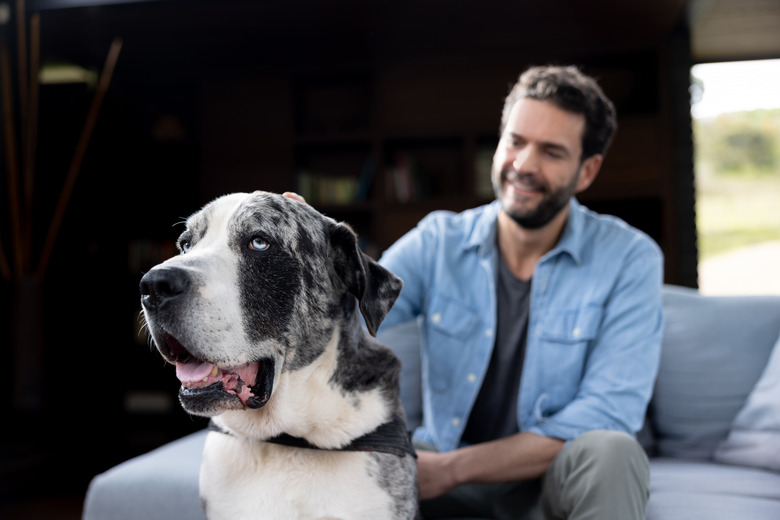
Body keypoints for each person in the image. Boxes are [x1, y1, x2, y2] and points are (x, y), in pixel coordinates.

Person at [375, 65, 665, 520]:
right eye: (516, 141)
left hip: (546, 481)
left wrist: (452, 469)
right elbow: (350, 310)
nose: (525, 164)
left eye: (551, 151)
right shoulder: (438, 242)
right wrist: (305, 243)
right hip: (439, 467)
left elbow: (609, 410)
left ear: (586, 171)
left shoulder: (630, 258)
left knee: (612, 450)